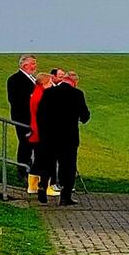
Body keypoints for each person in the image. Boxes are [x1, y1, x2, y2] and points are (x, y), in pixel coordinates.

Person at [35, 69, 89, 206]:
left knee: (48, 162)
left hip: (49, 136)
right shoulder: (77, 94)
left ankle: (42, 186)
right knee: (68, 166)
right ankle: (65, 196)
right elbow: (85, 116)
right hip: (69, 137)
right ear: (74, 82)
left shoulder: (48, 93)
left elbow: (40, 114)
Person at [6, 55, 39, 194]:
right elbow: (16, 101)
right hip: (24, 119)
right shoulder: (15, 79)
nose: (35, 66)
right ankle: (22, 170)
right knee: (25, 144)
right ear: (25, 65)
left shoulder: (33, 79)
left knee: (32, 145)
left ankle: (31, 170)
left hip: (35, 119)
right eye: (33, 64)